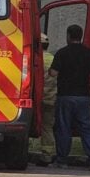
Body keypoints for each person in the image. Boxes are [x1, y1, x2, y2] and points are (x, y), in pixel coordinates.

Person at [49, 24, 90, 169]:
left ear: (68, 36)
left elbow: (53, 73)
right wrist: (87, 71)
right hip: (83, 96)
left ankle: (62, 160)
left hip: (65, 96)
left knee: (63, 128)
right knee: (87, 127)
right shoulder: (89, 53)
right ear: (80, 36)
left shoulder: (62, 53)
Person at [36, 33, 56, 165]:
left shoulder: (37, 59)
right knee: (47, 128)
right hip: (52, 97)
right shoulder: (53, 59)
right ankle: (48, 154)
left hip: (37, 98)